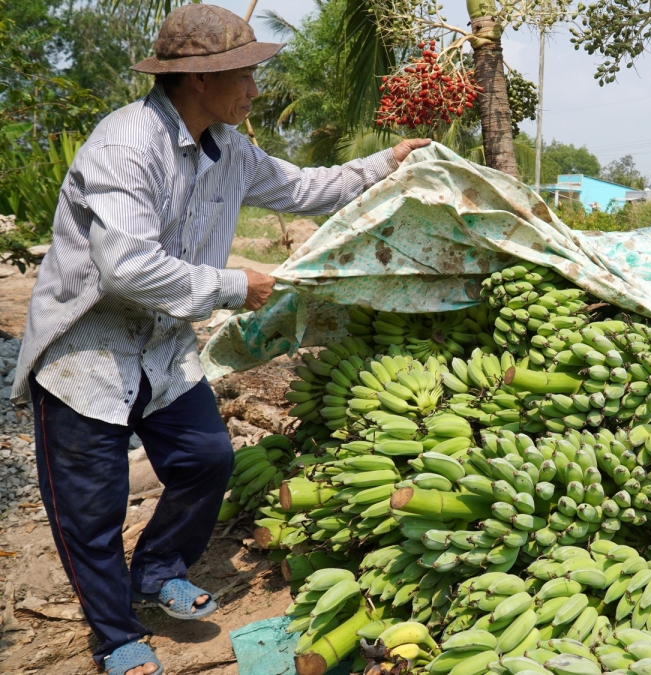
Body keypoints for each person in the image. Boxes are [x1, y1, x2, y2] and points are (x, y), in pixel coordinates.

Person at [8, 5, 429, 675]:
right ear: (199, 80)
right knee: (91, 509)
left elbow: (305, 187)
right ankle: (114, 636)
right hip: (88, 353)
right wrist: (233, 284)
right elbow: (124, 265)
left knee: (206, 457)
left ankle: (156, 569)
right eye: (247, 76)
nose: (256, 90)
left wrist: (387, 161)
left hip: (162, 350)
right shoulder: (126, 145)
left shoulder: (229, 150)